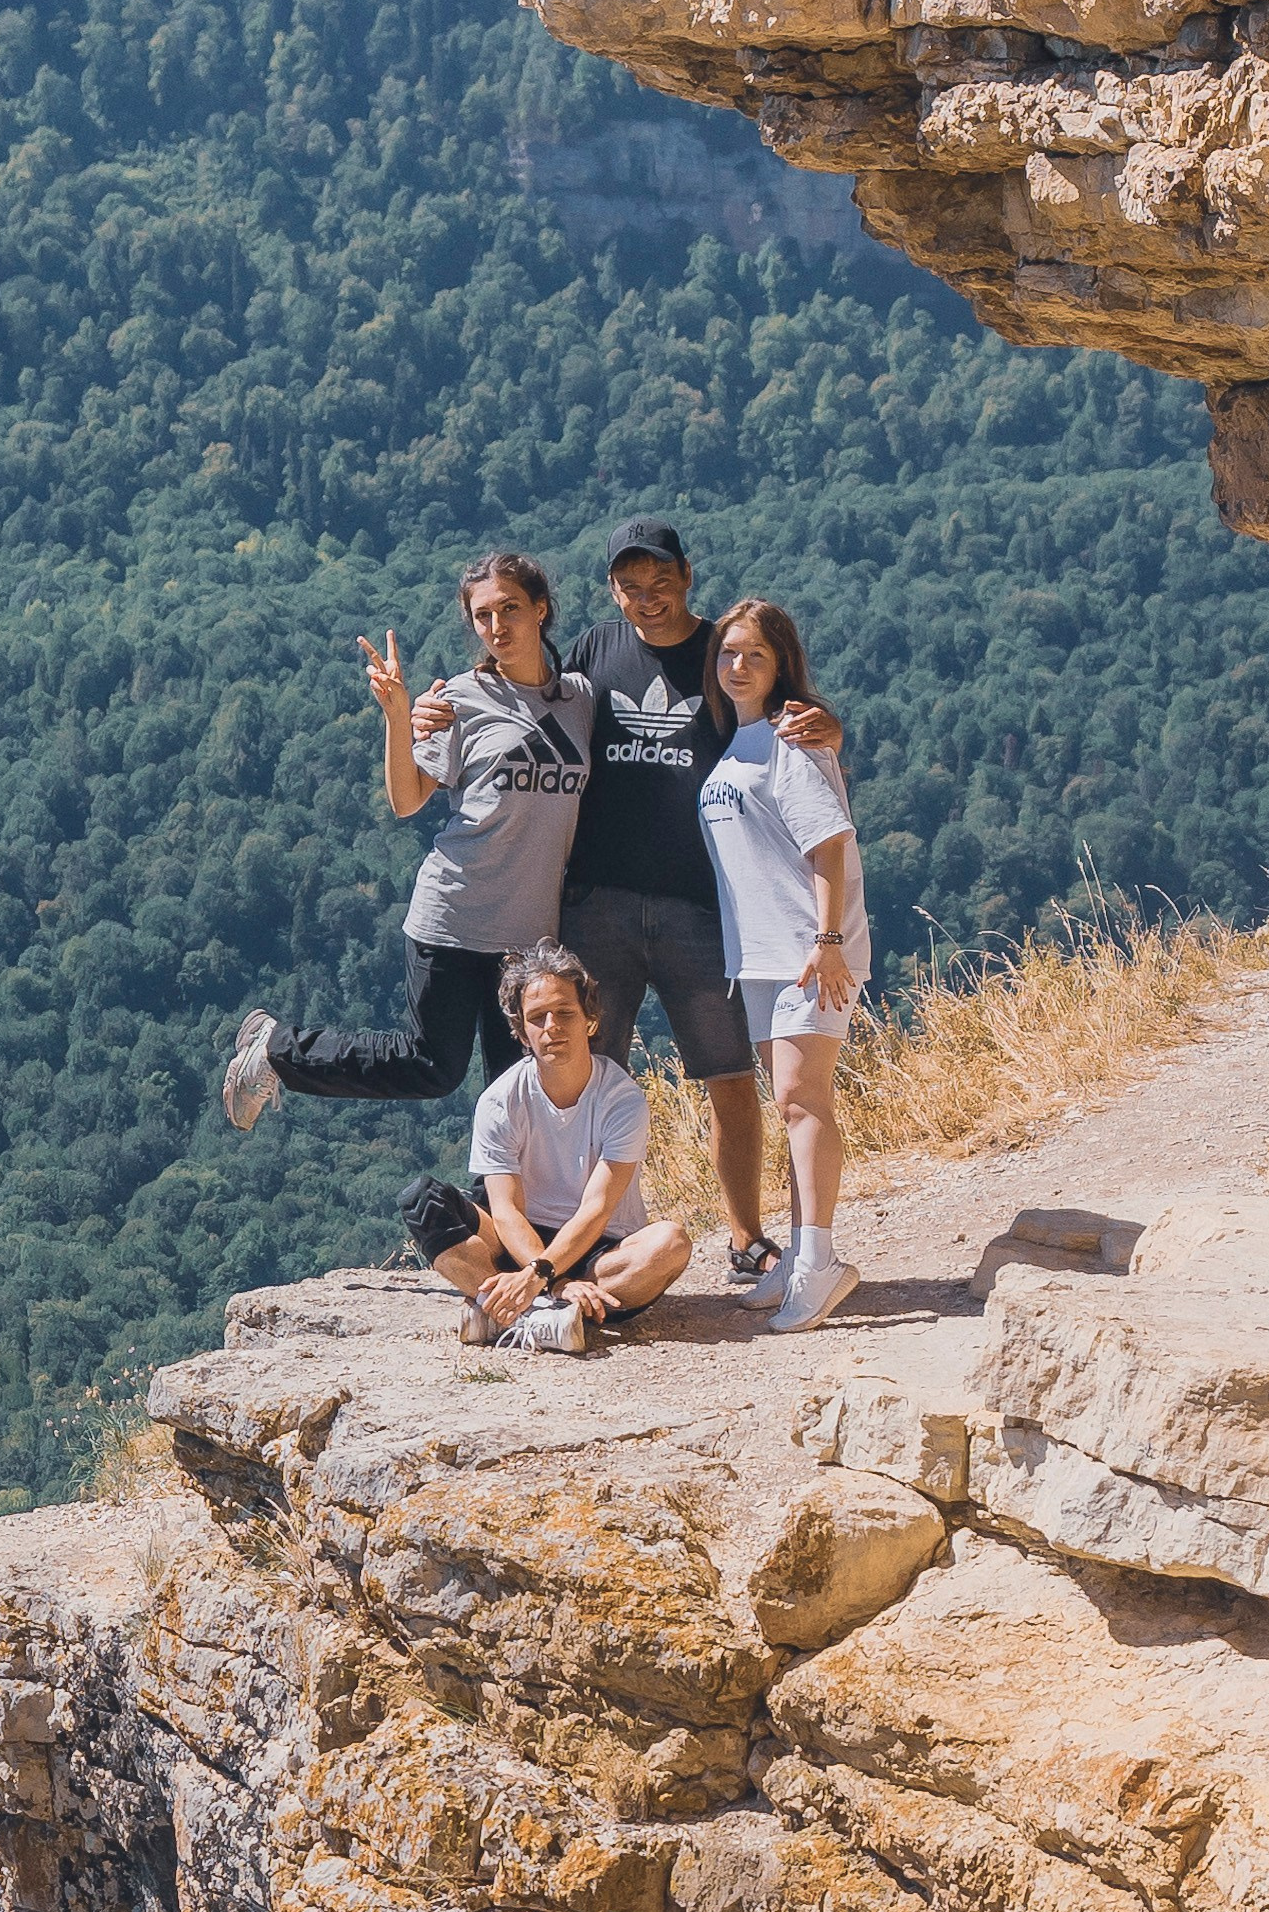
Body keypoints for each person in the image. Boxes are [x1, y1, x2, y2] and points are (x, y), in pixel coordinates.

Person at [423, 515, 838, 1291]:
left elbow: (784, 713)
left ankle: (746, 1238)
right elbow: (518, 685)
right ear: (610, 588)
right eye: (628, 586)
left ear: (687, 575)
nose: (645, 600)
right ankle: (559, 1247)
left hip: (701, 907)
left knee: (724, 1076)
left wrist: (828, 727)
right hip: (596, 906)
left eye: (660, 583)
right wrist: (432, 713)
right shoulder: (592, 650)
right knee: (575, 1072)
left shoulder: (724, 651)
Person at [220, 552, 593, 1125]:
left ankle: (497, 1211)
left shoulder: (580, 701)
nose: (497, 628)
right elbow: (407, 799)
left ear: (541, 610)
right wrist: (398, 714)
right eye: (483, 615)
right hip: (452, 914)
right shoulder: (460, 700)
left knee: (521, 1086)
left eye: (511, 609)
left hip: (527, 934)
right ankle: (276, 1050)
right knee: (431, 1066)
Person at [696, 597, 869, 1335]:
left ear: (780, 665)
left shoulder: (792, 741)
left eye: (755, 656)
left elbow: (827, 844)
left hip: (811, 952)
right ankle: (802, 1259)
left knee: (803, 1100)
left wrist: (827, 941)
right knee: (790, 1104)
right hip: (763, 957)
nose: (738, 666)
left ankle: (820, 1262)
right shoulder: (737, 743)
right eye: (729, 653)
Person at [397, 939, 691, 1354]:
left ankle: (506, 1308)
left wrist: (544, 1272)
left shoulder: (621, 1099)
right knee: (423, 1202)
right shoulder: (501, 1101)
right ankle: (545, 1312)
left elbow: (598, 1207)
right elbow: (506, 1210)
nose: (552, 1026)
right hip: (521, 1243)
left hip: (598, 1247)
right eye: (537, 1017)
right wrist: (551, 1277)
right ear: (521, 1031)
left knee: (670, 1243)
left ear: (590, 1019)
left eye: (565, 1012)